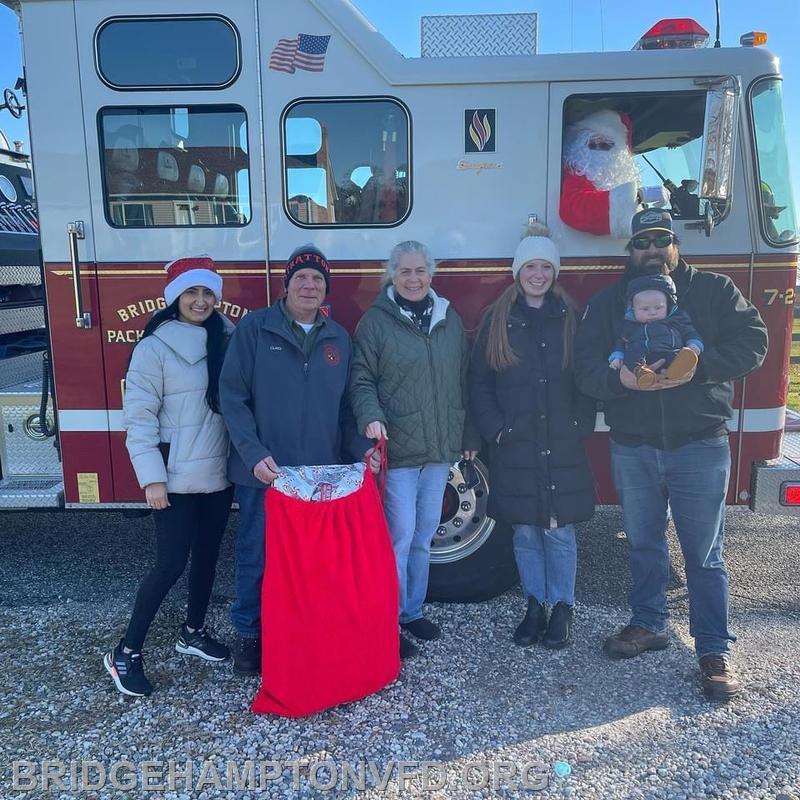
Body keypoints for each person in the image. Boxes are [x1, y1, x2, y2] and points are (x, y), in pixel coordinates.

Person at [574, 208, 768, 701]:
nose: (653, 249)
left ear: (676, 245)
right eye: (643, 241)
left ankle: (713, 650)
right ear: (631, 250)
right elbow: (584, 367)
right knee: (642, 543)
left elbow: (755, 341)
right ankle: (648, 623)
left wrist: (699, 370)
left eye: (662, 239)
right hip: (634, 445)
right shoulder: (608, 302)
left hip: (699, 442)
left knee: (704, 554)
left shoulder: (713, 291)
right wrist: (615, 381)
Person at [219, 244, 379, 676]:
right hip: (266, 474)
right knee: (257, 554)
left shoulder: (338, 338)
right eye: (301, 278)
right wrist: (253, 455)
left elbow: (346, 411)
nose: (309, 286)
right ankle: (249, 636)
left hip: (316, 477)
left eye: (318, 280)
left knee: (310, 562)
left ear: (326, 289)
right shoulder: (255, 330)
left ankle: (303, 630)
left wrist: (363, 449)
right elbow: (231, 399)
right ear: (286, 285)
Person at [105, 256, 234, 697]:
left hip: (218, 471)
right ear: (175, 298)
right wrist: (151, 479)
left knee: (208, 557)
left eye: (208, 293)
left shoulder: (226, 337)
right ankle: (125, 651)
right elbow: (138, 417)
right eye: (191, 293)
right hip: (174, 476)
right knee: (171, 563)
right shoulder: (153, 348)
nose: (200, 301)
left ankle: (193, 631)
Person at [349, 240, 479, 660]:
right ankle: (385, 619)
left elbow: (464, 378)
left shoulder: (448, 320)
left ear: (431, 273)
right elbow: (361, 377)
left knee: (424, 533)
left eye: (420, 270)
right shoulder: (376, 323)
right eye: (404, 271)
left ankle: (411, 611)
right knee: (398, 536)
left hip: (440, 448)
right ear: (392, 274)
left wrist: (468, 435)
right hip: (399, 449)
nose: (413, 278)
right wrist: (370, 415)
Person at [469, 223, 595, 650]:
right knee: (524, 531)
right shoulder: (498, 320)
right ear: (517, 271)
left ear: (554, 272)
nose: (537, 274)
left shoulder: (570, 319)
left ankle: (562, 608)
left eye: (545, 266)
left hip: (560, 442)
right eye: (530, 266)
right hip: (517, 444)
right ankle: (534, 605)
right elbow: (479, 383)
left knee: (559, 530)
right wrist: (496, 429)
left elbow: (585, 379)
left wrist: (580, 423)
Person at [559, 109, 667, 238]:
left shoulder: (624, 179)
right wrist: (638, 196)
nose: (598, 149)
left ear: (619, 155)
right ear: (579, 148)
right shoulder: (576, 175)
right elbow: (575, 209)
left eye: (605, 145)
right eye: (592, 144)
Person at [608, 273, 703, 388]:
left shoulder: (675, 321)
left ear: (668, 306)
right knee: (632, 357)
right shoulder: (629, 327)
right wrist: (617, 357)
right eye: (645, 309)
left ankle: (679, 368)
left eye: (658, 308)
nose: (652, 312)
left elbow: (689, 332)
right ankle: (643, 374)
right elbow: (621, 343)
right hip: (641, 359)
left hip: (668, 352)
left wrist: (694, 345)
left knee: (678, 355)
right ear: (632, 310)